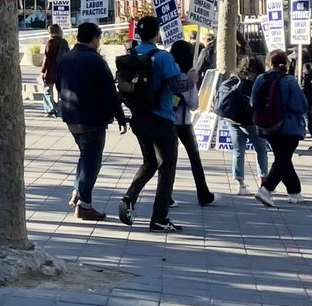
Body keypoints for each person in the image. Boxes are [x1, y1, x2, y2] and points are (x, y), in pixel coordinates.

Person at [116, 16, 191, 233]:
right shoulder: (162, 57)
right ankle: (159, 218)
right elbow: (177, 86)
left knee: (149, 162)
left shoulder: (132, 53)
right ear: (157, 33)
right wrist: (192, 79)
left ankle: (129, 199)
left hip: (139, 117)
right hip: (161, 118)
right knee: (167, 167)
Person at [56, 21, 127, 221]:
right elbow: (109, 93)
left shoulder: (65, 58)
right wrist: (121, 117)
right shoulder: (95, 61)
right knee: (92, 160)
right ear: (95, 38)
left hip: (71, 116)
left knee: (85, 156)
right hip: (91, 118)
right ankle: (84, 204)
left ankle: (78, 192)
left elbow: (58, 86)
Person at [252, 49, 309, 207]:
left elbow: (253, 102)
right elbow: (301, 106)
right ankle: (266, 188)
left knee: (283, 159)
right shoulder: (289, 81)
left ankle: (294, 191)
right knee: (283, 159)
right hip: (289, 127)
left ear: (269, 62)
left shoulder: (260, 79)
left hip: (268, 127)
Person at [169, 40, 219, 207]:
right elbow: (194, 104)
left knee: (168, 161)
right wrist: (193, 82)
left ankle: (166, 195)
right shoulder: (188, 75)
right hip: (183, 122)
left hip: (167, 121)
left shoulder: (168, 74)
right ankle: (203, 193)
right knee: (194, 159)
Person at [215, 55, 270, 195]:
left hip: (232, 120)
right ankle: (263, 180)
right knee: (261, 150)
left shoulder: (234, 79)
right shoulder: (258, 81)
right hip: (250, 121)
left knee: (238, 151)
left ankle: (240, 184)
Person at [40, 24, 68, 117]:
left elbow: (46, 58)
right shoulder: (64, 42)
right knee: (60, 91)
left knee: (47, 90)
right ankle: (60, 110)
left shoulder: (50, 43)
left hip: (51, 69)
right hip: (62, 69)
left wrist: (43, 71)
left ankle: (50, 109)